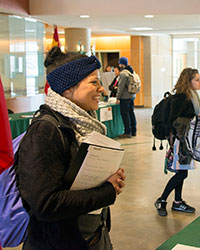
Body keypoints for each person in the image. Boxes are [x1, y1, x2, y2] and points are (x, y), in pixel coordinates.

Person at [15, 46, 125, 250]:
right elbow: (45, 204)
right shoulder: (45, 132)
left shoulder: (81, 123)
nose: (102, 89)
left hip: (90, 237)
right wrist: (107, 191)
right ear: (67, 88)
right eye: (94, 82)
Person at [154, 68, 200, 216]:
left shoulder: (191, 96)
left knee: (183, 171)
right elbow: (172, 121)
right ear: (189, 81)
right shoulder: (181, 98)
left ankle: (178, 202)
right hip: (179, 141)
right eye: (197, 80)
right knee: (182, 174)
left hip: (185, 140)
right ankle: (162, 200)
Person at [117, 57, 137, 138]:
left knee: (125, 114)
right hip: (132, 96)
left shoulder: (123, 74)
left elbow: (121, 87)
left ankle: (127, 132)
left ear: (122, 64)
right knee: (131, 113)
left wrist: (118, 97)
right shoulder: (132, 71)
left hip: (125, 97)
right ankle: (133, 131)